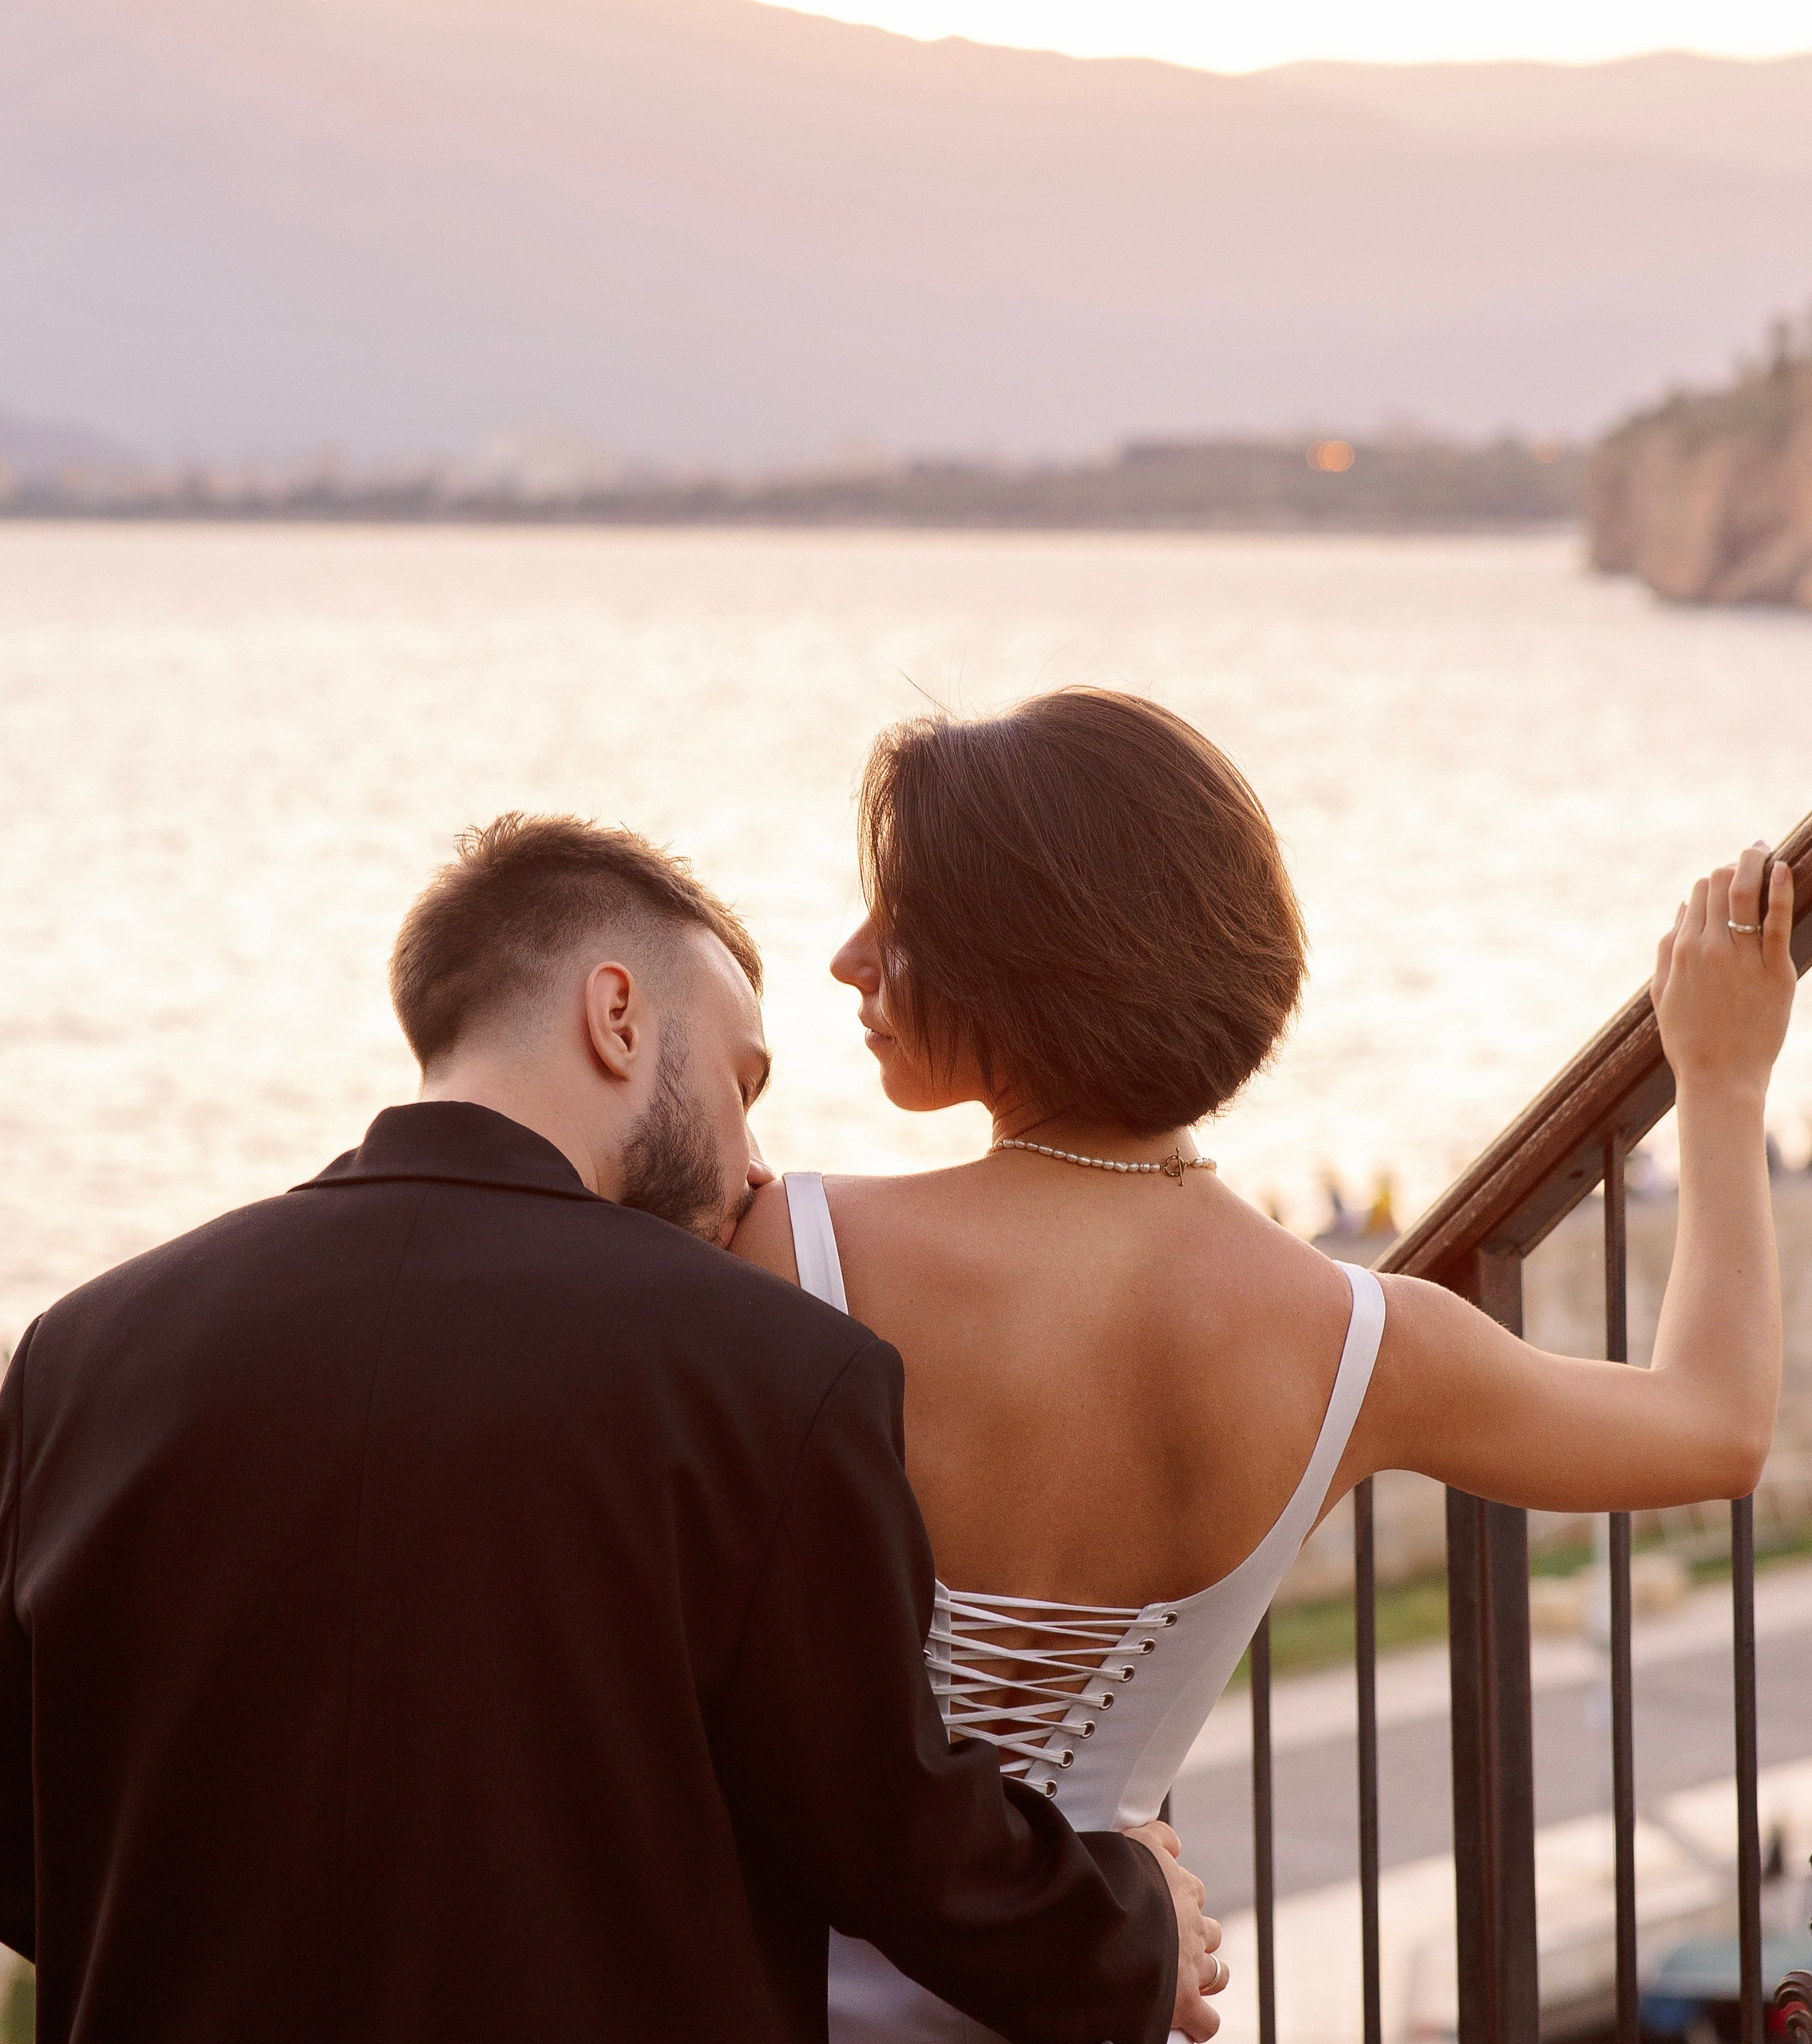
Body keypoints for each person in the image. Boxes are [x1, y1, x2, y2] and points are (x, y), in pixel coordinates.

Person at [0, 813, 1219, 2044]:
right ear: (617, 1016)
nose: (756, 1161)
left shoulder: (83, 1351)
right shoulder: (767, 1370)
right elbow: (895, 1840)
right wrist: (1131, 1923)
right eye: (742, 1081)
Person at [730, 687, 1799, 2042]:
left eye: (902, 920)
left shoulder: (784, 1251)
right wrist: (1721, 1078)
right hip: (1100, 1992)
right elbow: (1715, 1428)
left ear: (1025, 954)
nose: (848, 957)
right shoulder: (1362, 1341)